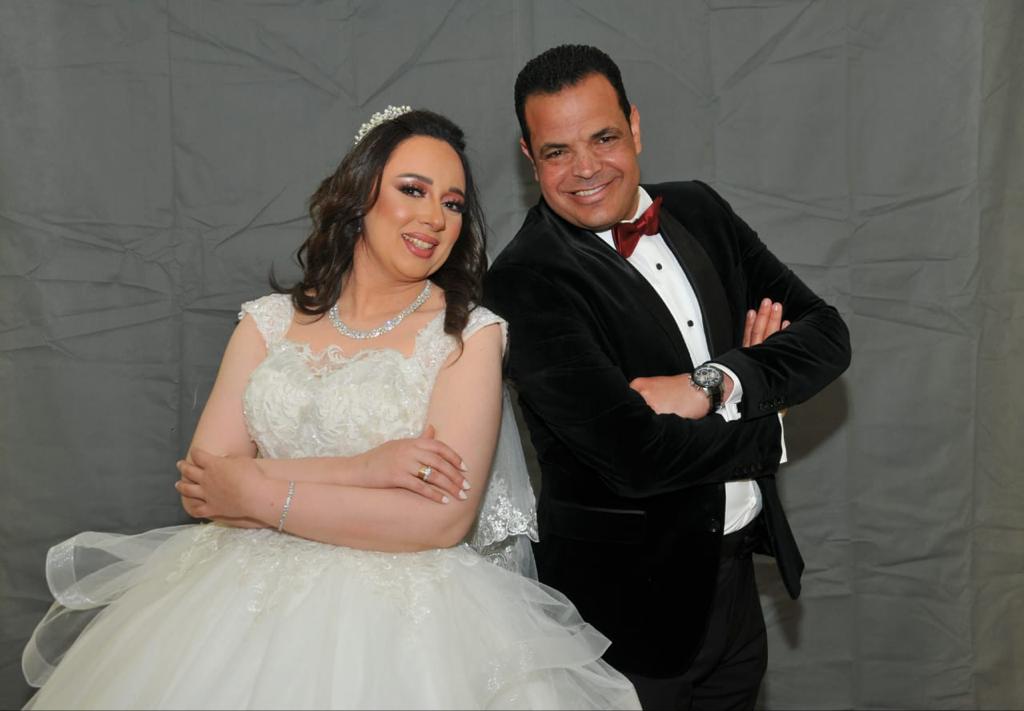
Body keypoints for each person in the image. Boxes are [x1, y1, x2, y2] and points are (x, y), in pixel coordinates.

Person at [21, 107, 641, 710]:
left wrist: (256, 491)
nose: (435, 217)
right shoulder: (268, 322)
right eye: (413, 190)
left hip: (405, 625)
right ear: (360, 194)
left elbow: (439, 522)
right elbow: (206, 484)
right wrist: (365, 469)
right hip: (229, 608)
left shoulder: (468, 336)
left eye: (452, 203)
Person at [483, 45, 852, 710]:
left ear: (635, 126)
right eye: (558, 151)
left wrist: (715, 382)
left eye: (603, 138)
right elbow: (638, 458)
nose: (586, 168)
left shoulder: (700, 209)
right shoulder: (523, 280)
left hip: (737, 588)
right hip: (622, 619)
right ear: (529, 157)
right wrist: (769, 420)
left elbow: (826, 334)